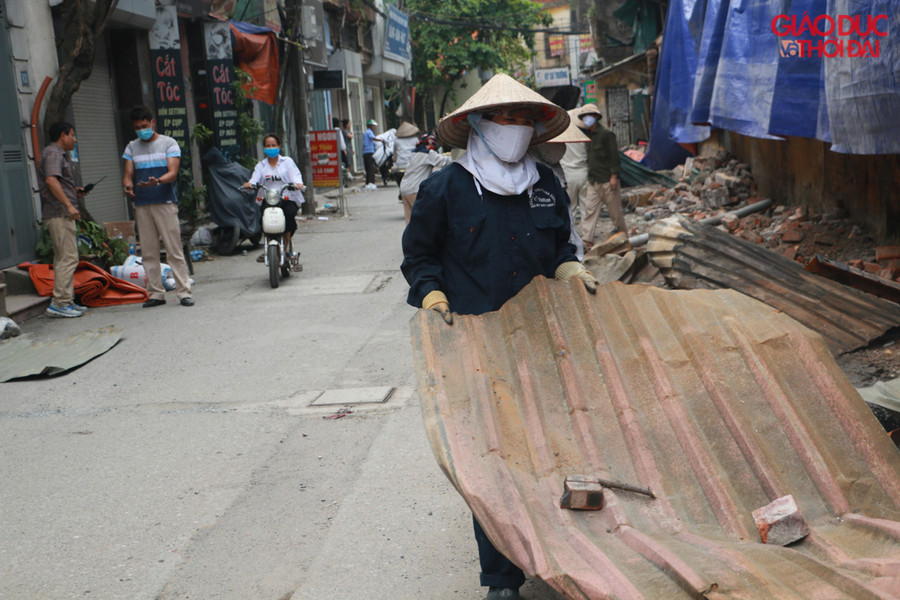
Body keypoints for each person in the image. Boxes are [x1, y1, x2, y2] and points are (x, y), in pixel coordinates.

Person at [401, 73, 598, 600]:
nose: (514, 128)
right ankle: (502, 579)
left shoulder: (545, 184)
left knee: (554, 451)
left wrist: (569, 270)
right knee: (493, 464)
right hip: (476, 344)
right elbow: (419, 257)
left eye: (523, 119)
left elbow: (562, 245)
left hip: (543, 340)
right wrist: (432, 294)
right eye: (504, 118)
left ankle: (559, 555)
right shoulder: (445, 188)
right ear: (476, 125)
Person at [122, 105, 194, 307]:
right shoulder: (131, 147)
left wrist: (158, 181)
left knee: (174, 249)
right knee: (148, 251)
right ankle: (155, 293)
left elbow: (173, 172)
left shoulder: (168, 143)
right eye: (137, 127)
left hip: (165, 202)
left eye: (144, 125)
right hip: (142, 204)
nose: (141, 130)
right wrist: (128, 187)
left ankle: (184, 292)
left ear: (152, 123)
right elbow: (127, 175)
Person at [38, 122, 90, 318]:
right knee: (67, 258)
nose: (74, 139)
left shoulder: (56, 154)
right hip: (59, 213)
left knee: (64, 258)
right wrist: (69, 205)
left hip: (59, 212)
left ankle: (66, 301)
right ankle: (59, 303)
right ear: (63, 135)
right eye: (72, 135)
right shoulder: (53, 153)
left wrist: (73, 192)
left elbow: (56, 182)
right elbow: (51, 180)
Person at [242, 133, 306, 261]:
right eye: (268, 146)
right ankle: (268, 246)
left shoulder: (287, 162)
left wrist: (298, 184)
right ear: (264, 148)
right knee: (263, 220)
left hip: (287, 197)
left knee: (289, 215)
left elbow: (295, 176)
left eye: (273, 145)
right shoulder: (261, 166)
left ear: (279, 146)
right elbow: (255, 179)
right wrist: (250, 184)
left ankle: (286, 248)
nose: (271, 148)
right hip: (269, 198)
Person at [578, 103, 626, 250]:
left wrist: (614, 176)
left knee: (615, 213)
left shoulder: (606, 134)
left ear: (596, 117)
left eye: (590, 115)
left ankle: (623, 237)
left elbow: (614, 157)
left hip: (607, 180)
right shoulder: (587, 135)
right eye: (584, 116)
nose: (587, 118)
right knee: (589, 211)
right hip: (593, 180)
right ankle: (587, 240)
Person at [399, 133, 450, 224]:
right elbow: (443, 162)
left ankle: (409, 238)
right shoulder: (428, 154)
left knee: (410, 222)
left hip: (404, 188)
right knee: (425, 219)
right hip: (415, 189)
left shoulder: (413, 153)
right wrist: (458, 158)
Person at [558, 107, 589, 222]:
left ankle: (572, 235)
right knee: (586, 207)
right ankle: (587, 236)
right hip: (583, 173)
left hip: (568, 174)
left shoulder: (563, 137)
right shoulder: (584, 136)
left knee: (571, 208)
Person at [362, 119, 384, 190]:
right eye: (373, 126)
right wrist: (381, 140)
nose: (374, 127)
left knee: (368, 168)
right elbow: (373, 138)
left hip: (365, 152)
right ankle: (371, 182)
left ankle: (368, 183)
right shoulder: (369, 132)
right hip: (369, 152)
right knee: (371, 169)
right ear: (370, 126)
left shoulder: (366, 132)